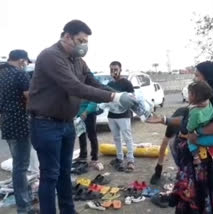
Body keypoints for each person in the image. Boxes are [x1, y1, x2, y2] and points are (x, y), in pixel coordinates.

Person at [27, 20, 137, 214]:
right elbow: (74, 87)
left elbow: (93, 83)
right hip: (46, 125)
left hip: (67, 124)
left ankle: (68, 211)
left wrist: (121, 97)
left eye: (86, 41)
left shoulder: (78, 61)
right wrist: (113, 96)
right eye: (80, 40)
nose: (83, 45)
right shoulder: (50, 56)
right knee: (50, 176)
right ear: (67, 36)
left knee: (64, 173)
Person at [147, 61, 213, 213]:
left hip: (209, 162)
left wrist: (196, 134)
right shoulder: (201, 98)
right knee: (195, 197)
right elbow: (189, 120)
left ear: (208, 77)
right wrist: (164, 120)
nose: (194, 79)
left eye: (197, 75)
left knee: (205, 198)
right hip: (198, 162)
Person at [0, 50, 38, 214]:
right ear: (21, 60)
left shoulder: (1, 74)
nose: (26, 65)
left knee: (18, 165)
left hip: (6, 122)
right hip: (21, 122)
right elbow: (30, 97)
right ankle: (24, 207)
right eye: (26, 63)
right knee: (21, 167)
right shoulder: (19, 75)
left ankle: (26, 200)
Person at [107, 61, 136, 172]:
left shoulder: (126, 83)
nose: (113, 71)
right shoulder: (109, 85)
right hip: (112, 115)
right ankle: (119, 158)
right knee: (116, 137)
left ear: (120, 70)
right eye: (111, 69)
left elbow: (133, 98)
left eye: (115, 69)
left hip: (124, 115)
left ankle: (130, 160)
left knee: (127, 137)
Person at [76, 100, 103, 171]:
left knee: (92, 136)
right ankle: (83, 156)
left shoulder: (89, 89)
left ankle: (94, 158)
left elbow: (93, 103)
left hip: (89, 114)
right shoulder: (78, 90)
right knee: (81, 135)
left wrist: (86, 112)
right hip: (79, 116)